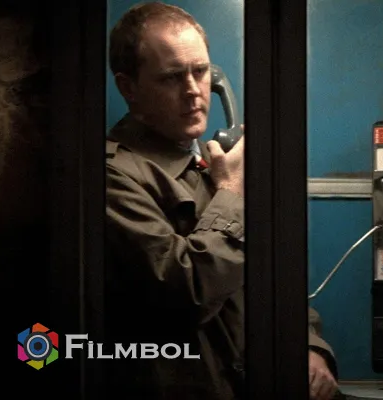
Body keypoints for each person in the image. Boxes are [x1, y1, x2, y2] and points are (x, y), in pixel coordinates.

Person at [103, 2, 338, 399]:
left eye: (200, 72)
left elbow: (270, 272)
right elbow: (186, 292)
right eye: (171, 77)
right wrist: (230, 193)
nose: (193, 91)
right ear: (129, 88)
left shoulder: (217, 163)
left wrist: (308, 345)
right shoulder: (114, 176)